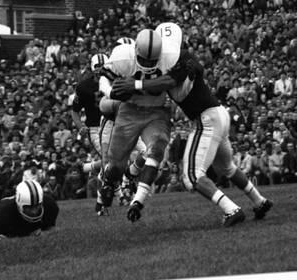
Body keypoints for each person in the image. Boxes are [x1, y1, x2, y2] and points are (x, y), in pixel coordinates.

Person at [111, 22, 273, 226]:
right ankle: (260, 201)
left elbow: (166, 82)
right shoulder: (178, 60)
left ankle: (231, 210)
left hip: (206, 118)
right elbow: (161, 82)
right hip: (218, 114)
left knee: (192, 177)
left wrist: (134, 85)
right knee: (227, 168)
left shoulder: (181, 59)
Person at [97, 28, 172, 216]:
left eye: (152, 60)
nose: (147, 64)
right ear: (135, 50)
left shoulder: (170, 58)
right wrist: (112, 93)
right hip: (129, 110)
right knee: (115, 166)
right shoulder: (123, 56)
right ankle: (109, 181)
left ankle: (137, 200)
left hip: (157, 111)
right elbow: (103, 80)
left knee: (156, 148)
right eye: (143, 59)